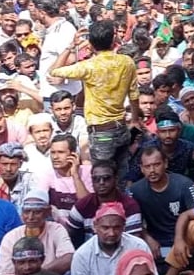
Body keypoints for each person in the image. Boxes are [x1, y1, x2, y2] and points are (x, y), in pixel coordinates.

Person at [49, 19, 141, 175]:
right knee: (121, 176)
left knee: (102, 178)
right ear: (114, 40)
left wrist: (71, 47)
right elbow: (133, 94)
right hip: (122, 128)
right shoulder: (128, 62)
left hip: (101, 133)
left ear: (90, 43)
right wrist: (135, 120)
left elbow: (54, 71)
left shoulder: (88, 66)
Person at [70, 201, 154, 275]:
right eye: (105, 228)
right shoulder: (82, 255)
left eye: (116, 227)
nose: (111, 233)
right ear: (95, 226)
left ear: (124, 227)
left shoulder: (138, 246)